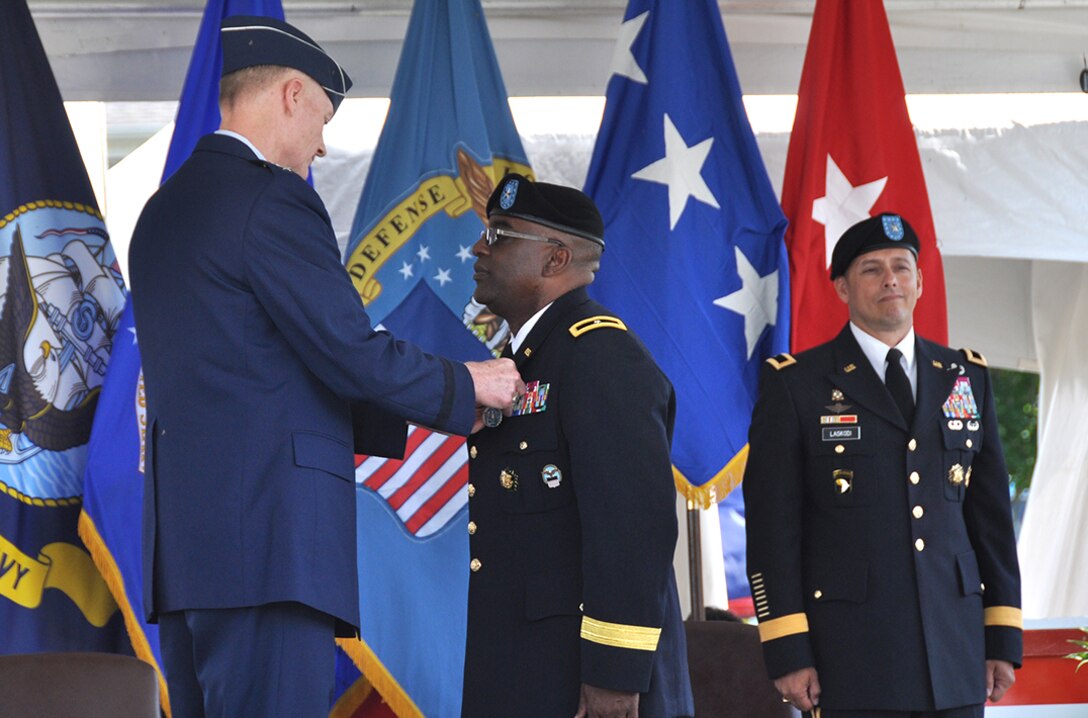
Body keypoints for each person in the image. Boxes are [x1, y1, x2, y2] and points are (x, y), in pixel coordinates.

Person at [127, 16, 522, 717]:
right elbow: (348, 347)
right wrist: (467, 383)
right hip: (271, 555)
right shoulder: (272, 198)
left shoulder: (160, 213)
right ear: (290, 94)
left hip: (189, 561)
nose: (322, 143)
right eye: (321, 117)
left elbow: (257, 366)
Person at [743, 213, 1023, 718]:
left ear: (919, 282)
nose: (890, 278)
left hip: (956, 654)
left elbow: (991, 520)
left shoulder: (965, 377)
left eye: (902, 266)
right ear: (843, 289)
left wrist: (1002, 635)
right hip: (851, 660)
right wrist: (787, 647)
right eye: (871, 269)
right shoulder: (797, 384)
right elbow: (772, 530)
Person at [461, 174, 694, 718]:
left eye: (499, 235)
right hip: (527, 670)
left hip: (589, 683)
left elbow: (635, 527)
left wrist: (615, 673)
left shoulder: (598, 355)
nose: (478, 247)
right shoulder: (528, 362)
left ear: (554, 259)